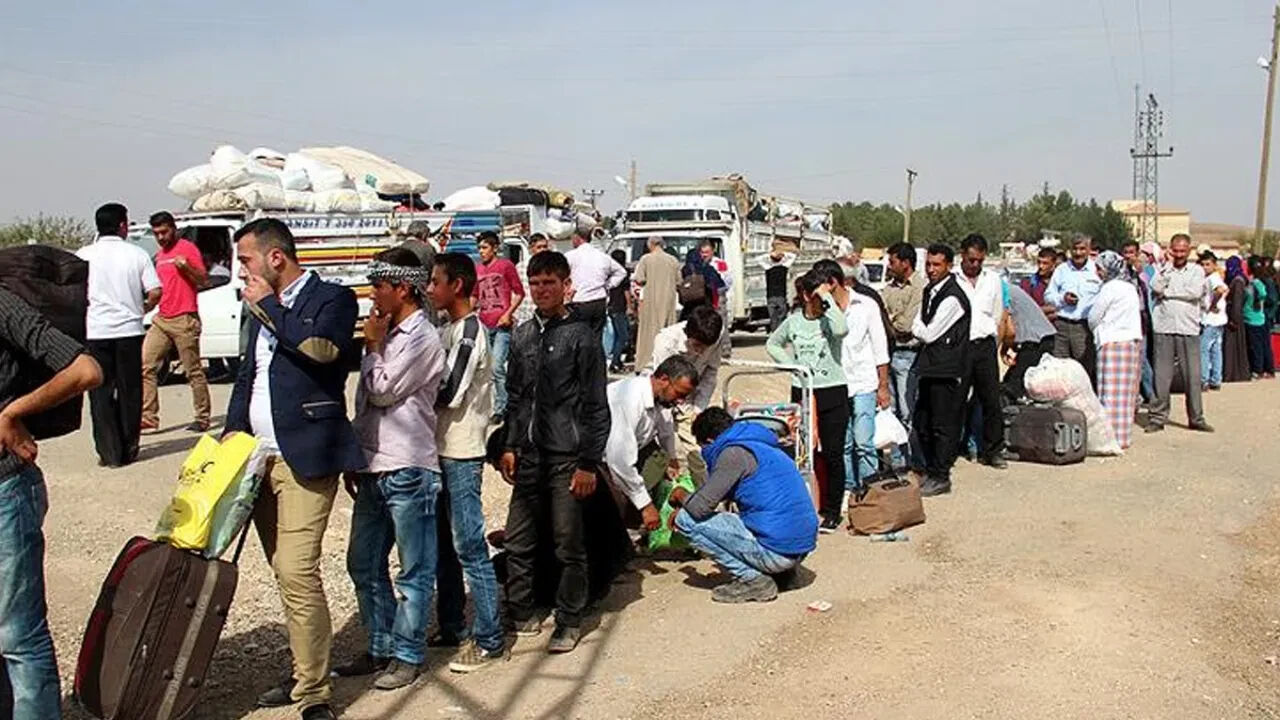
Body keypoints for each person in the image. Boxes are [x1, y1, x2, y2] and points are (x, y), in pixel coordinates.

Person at [225, 218, 364, 720]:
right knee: (284, 575)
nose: (242, 270)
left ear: (275, 257)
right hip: (257, 458)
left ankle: (314, 693)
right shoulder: (256, 308)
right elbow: (249, 375)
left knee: (296, 569)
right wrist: (232, 433)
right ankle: (305, 669)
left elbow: (321, 351)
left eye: (246, 260)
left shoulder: (332, 299)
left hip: (306, 455)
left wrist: (268, 307)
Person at [339, 248, 444, 690]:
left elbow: (382, 390)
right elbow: (365, 403)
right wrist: (355, 455)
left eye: (379, 286)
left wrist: (372, 346)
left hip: (408, 467)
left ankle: (407, 654)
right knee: (362, 562)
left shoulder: (422, 338)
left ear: (403, 289)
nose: (373, 295)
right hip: (374, 465)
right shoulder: (387, 334)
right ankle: (380, 645)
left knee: (414, 570)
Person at [500, 250, 611, 654]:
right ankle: (521, 611)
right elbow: (515, 397)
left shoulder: (582, 337)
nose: (541, 290)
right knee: (517, 540)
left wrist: (588, 463)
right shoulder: (523, 335)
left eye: (549, 282)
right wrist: (510, 445)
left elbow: (596, 405)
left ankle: (569, 620)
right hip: (529, 455)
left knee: (568, 544)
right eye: (535, 282)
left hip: (567, 458)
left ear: (566, 286)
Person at [0, 290, 102, 720]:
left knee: (17, 636)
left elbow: (85, 370)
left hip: (5, 491)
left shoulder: (2, 305)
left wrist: (12, 413)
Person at [426, 252, 506, 674]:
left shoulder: (471, 331)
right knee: (443, 546)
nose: (429, 289)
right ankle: (453, 624)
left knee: (470, 545)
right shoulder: (447, 329)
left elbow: (449, 391)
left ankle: (490, 638)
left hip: (461, 451)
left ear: (456, 285)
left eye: (435, 282)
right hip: (439, 449)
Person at [667, 407, 818, 604]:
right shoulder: (765, 448)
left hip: (777, 553)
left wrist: (680, 494)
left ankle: (753, 581)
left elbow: (699, 508)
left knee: (685, 520)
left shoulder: (732, 453)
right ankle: (785, 574)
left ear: (710, 441)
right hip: (800, 549)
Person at [76, 202, 161, 467]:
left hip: (95, 330)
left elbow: (73, 293)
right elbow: (155, 291)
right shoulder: (137, 255)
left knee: (100, 392)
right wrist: (142, 308)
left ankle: (108, 451)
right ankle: (129, 447)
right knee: (129, 390)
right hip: (129, 330)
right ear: (123, 225)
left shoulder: (83, 255)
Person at [766, 271, 849, 532]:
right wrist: (792, 366)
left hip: (832, 389)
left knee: (833, 452)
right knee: (804, 452)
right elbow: (773, 344)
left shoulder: (830, 319)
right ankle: (806, 505)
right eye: (817, 295)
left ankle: (832, 510)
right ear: (805, 295)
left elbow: (841, 329)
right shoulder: (793, 322)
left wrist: (828, 299)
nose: (821, 300)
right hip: (803, 390)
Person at [602, 356, 696, 530]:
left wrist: (672, 460)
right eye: (680, 394)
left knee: (659, 460)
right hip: (603, 459)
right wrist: (645, 506)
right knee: (618, 505)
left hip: (637, 448)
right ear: (664, 380)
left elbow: (666, 429)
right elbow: (619, 460)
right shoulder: (630, 400)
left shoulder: (662, 399)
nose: (681, 401)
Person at [821, 260, 891, 492]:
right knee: (843, 444)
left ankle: (870, 492)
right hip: (836, 384)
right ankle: (848, 490)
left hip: (863, 383)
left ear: (832, 282)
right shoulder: (822, 310)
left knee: (864, 444)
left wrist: (883, 386)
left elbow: (880, 347)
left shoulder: (866, 305)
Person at [140, 211, 211, 434]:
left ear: (173, 229)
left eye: (164, 232)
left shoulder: (187, 249)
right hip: (162, 318)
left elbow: (203, 280)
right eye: (156, 234)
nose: (161, 237)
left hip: (185, 318)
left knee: (193, 371)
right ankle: (149, 417)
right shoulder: (160, 256)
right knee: (146, 365)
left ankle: (202, 417)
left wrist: (186, 267)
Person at [911, 244, 971, 497]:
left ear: (949, 265)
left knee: (942, 424)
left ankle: (940, 475)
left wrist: (916, 326)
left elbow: (928, 332)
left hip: (946, 369)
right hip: (931, 367)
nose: (931, 269)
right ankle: (929, 469)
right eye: (928, 264)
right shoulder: (931, 291)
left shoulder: (952, 298)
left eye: (937, 265)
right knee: (923, 422)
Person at [646, 306, 725, 484]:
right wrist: (671, 452)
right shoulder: (666, 341)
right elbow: (664, 390)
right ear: (687, 334)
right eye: (696, 346)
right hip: (663, 401)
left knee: (697, 454)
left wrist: (698, 409)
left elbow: (710, 373)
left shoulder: (715, 337)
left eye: (705, 348)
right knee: (669, 456)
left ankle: (704, 492)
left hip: (689, 401)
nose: (701, 352)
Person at [1147, 233, 1212, 434]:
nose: (1179, 254)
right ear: (1170, 250)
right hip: (1164, 327)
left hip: (1188, 328)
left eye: (1183, 251)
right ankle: (1157, 417)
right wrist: (1166, 270)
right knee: (1162, 376)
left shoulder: (1196, 271)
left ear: (1189, 251)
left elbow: (1194, 292)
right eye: (1175, 250)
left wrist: (1167, 293)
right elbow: (1155, 286)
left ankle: (1196, 418)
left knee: (1192, 376)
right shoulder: (1163, 269)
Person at [954, 234, 1007, 469]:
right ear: (963, 256)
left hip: (984, 345)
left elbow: (997, 314)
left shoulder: (992, 280)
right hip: (960, 346)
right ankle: (952, 448)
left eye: (979, 261)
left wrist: (994, 343)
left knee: (991, 401)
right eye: (971, 260)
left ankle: (993, 450)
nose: (975, 265)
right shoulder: (953, 279)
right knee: (955, 400)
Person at [1088, 251, 1144, 449]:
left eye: (1099, 269)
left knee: (1109, 393)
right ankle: (1122, 437)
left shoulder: (1109, 289)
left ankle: (1108, 438)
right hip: (1131, 343)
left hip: (1111, 343)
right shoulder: (1130, 288)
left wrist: (1095, 329)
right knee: (1126, 395)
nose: (1097, 272)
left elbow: (1094, 317)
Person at [881, 242, 924, 472]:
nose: (889, 266)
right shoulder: (889, 288)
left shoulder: (919, 287)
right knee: (891, 410)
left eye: (893, 261)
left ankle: (911, 460)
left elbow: (907, 325)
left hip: (909, 354)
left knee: (908, 411)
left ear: (905, 263)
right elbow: (881, 318)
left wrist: (891, 320)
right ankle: (897, 461)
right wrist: (892, 321)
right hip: (890, 353)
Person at [473, 231, 524, 424]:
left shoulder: (505, 266)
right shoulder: (478, 269)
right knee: (485, 369)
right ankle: (490, 405)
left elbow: (519, 293)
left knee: (497, 367)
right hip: (484, 323)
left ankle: (503, 407)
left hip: (502, 324)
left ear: (495, 248)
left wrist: (508, 313)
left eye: (485, 247)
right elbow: (474, 296)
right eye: (479, 248)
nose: (481, 251)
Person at [1045, 234, 1102, 381]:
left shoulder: (1096, 270)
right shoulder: (1061, 270)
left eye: (1082, 249)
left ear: (1088, 249)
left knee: (1083, 370)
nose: (1078, 253)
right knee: (1059, 369)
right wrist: (1062, 299)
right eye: (1075, 249)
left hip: (1084, 327)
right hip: (1062, 326)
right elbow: (1048, 295)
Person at [1000, 283, 1057, 402]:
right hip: (1042, 337)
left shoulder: (1001, 292)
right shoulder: (1008, 288)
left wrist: (1003, 350)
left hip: (1035, 341)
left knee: (1012, 386)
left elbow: (1009, 330)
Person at [632, 236, 681, 368]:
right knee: (668, 332)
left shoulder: (646, 259)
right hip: (668, 301)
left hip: (651, 301)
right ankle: (667, 364)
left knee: (649, 333)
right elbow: (679, 281)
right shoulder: (673, 260)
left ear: (650, 245)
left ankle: (645, 362)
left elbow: (639, 278)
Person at [565, 230, 626, 334]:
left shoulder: (570, 256)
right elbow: (621, 272)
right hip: (599, 301)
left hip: (579, 300)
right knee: (596, 336)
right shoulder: (602, 256)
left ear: (577, 238)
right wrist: (607, 285)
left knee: (579, 335)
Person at [1123, 239, 1157, 402]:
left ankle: (1151, 394)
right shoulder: (1119, 272)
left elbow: (1149, 288)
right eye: (1126, 252)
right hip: (1124, 318)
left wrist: (1139, 273)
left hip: (1140, 318)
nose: (1128, 256)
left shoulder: (1146, 271)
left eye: (1132, 253)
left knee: (1141, 358)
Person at [1199, 251, 1229, 391]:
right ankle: (1216, 379)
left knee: (1204, 350)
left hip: (1210, 320)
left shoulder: (1212, 278)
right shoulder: (1214, 277)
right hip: (1219, 320)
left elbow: (1221, 290)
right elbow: (1226, 289)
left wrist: (1213, 304)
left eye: (1208, 264)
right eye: (1203, 264)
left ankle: (1204, 379)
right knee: (1216, 350)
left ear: (1214, 265)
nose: (1205, 267)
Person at [699, 240, 734, 358]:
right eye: (702, 252)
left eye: (707, 252)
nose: (704, 255)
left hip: (718, 296)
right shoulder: (699, 264)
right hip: (704, 298)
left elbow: (728, 281)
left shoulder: (720, 264)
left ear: (713, 251)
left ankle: (725, 349)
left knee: (721, 323)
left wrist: (720, 292)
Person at [1244, 255, 1275, 378]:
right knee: (1263, 345)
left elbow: (1270, 299)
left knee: (1257, 346)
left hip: (1255, 318)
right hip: (1260, 317)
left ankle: (1259, 369)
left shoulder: (1255, 283)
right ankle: (1266, 369)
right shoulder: (1261, 282)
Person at [602, 249, 632, 373]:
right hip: (619, 307)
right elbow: (626, 292)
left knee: (616, 335)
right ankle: (615, 362)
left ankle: (617, 361)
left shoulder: (608, 274)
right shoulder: (623, 274)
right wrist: (630, 306)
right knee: (623, 336)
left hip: (610, 306)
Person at [1224, 256, 1253, 383]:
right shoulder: (1238, 280)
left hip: (1234, 318)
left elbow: (1237, 302)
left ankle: (1233, 373)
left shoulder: (1238, 281)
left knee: (1233, 347)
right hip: (1234, 316)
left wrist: (1234, 319)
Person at [758, 245, 796, 332]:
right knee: (782, 319)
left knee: (773, 319)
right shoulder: (784, 267)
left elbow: (759, 259)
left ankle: (774, 334)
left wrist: (771, 254)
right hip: (781, 296)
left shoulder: (768, 267)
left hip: (770, 297)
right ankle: (781, 334)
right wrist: (783, 253)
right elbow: (793, 256)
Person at [680, 247, 724, 321]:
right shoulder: (708, 268)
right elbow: (720, 284)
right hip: (705, 303)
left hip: (688, 307)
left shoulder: (684, 270)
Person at [1019, 247, 1059, 319]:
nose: (1041, 266)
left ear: (1053, 264)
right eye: (1039, 262)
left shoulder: (1060, 282)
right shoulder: (1028, 283)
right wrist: (1047, 310)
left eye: (1045, 263)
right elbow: (1025, 308)